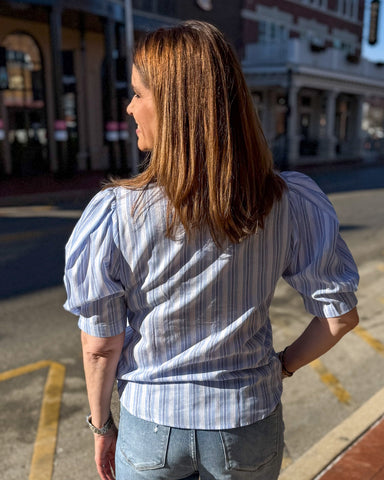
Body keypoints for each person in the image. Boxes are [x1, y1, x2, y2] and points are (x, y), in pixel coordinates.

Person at [63, 20, 359, 480]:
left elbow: (101, 347)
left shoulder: (116, 213)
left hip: (152, 426)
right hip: (248, 420)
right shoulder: (288, 201)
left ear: (175, 108)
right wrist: (283, 366)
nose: (129, 107)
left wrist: (102, 426)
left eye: (139, 94)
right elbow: (339, 317)